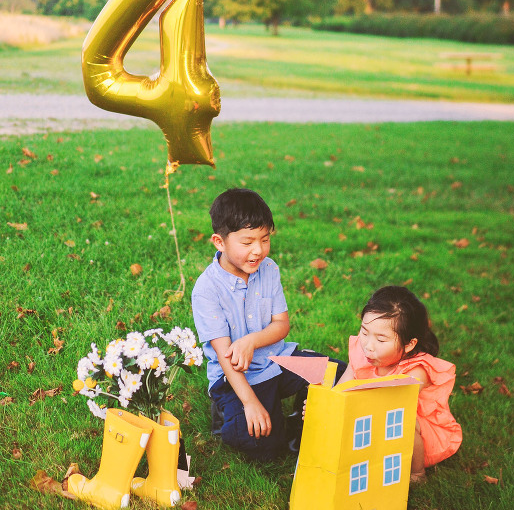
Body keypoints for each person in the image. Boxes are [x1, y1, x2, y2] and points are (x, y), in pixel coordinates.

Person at [192, 188, 330, 460]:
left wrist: (251, 341)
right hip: (236, 378)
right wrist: (250, 403)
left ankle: (300, 422)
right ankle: (229, 414)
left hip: (278, 360)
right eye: (247, 242)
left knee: (336, 374)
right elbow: (224, 356)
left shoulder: (269, 269)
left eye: (264, 239)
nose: (258, 250)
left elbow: (281, 324)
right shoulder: (206, 289)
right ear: (219, 242)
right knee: (260, 443)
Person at [338, 285, 462, 482]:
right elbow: (341, 390)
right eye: (364, 332)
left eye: (381, 339)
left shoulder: (416, 371)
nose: (368, 346)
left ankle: (417, 472)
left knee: (405, 422)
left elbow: (389, 405)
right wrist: (325, 404)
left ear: (409, 344)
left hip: (409, 424)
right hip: (372, 415)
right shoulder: (363, 353)